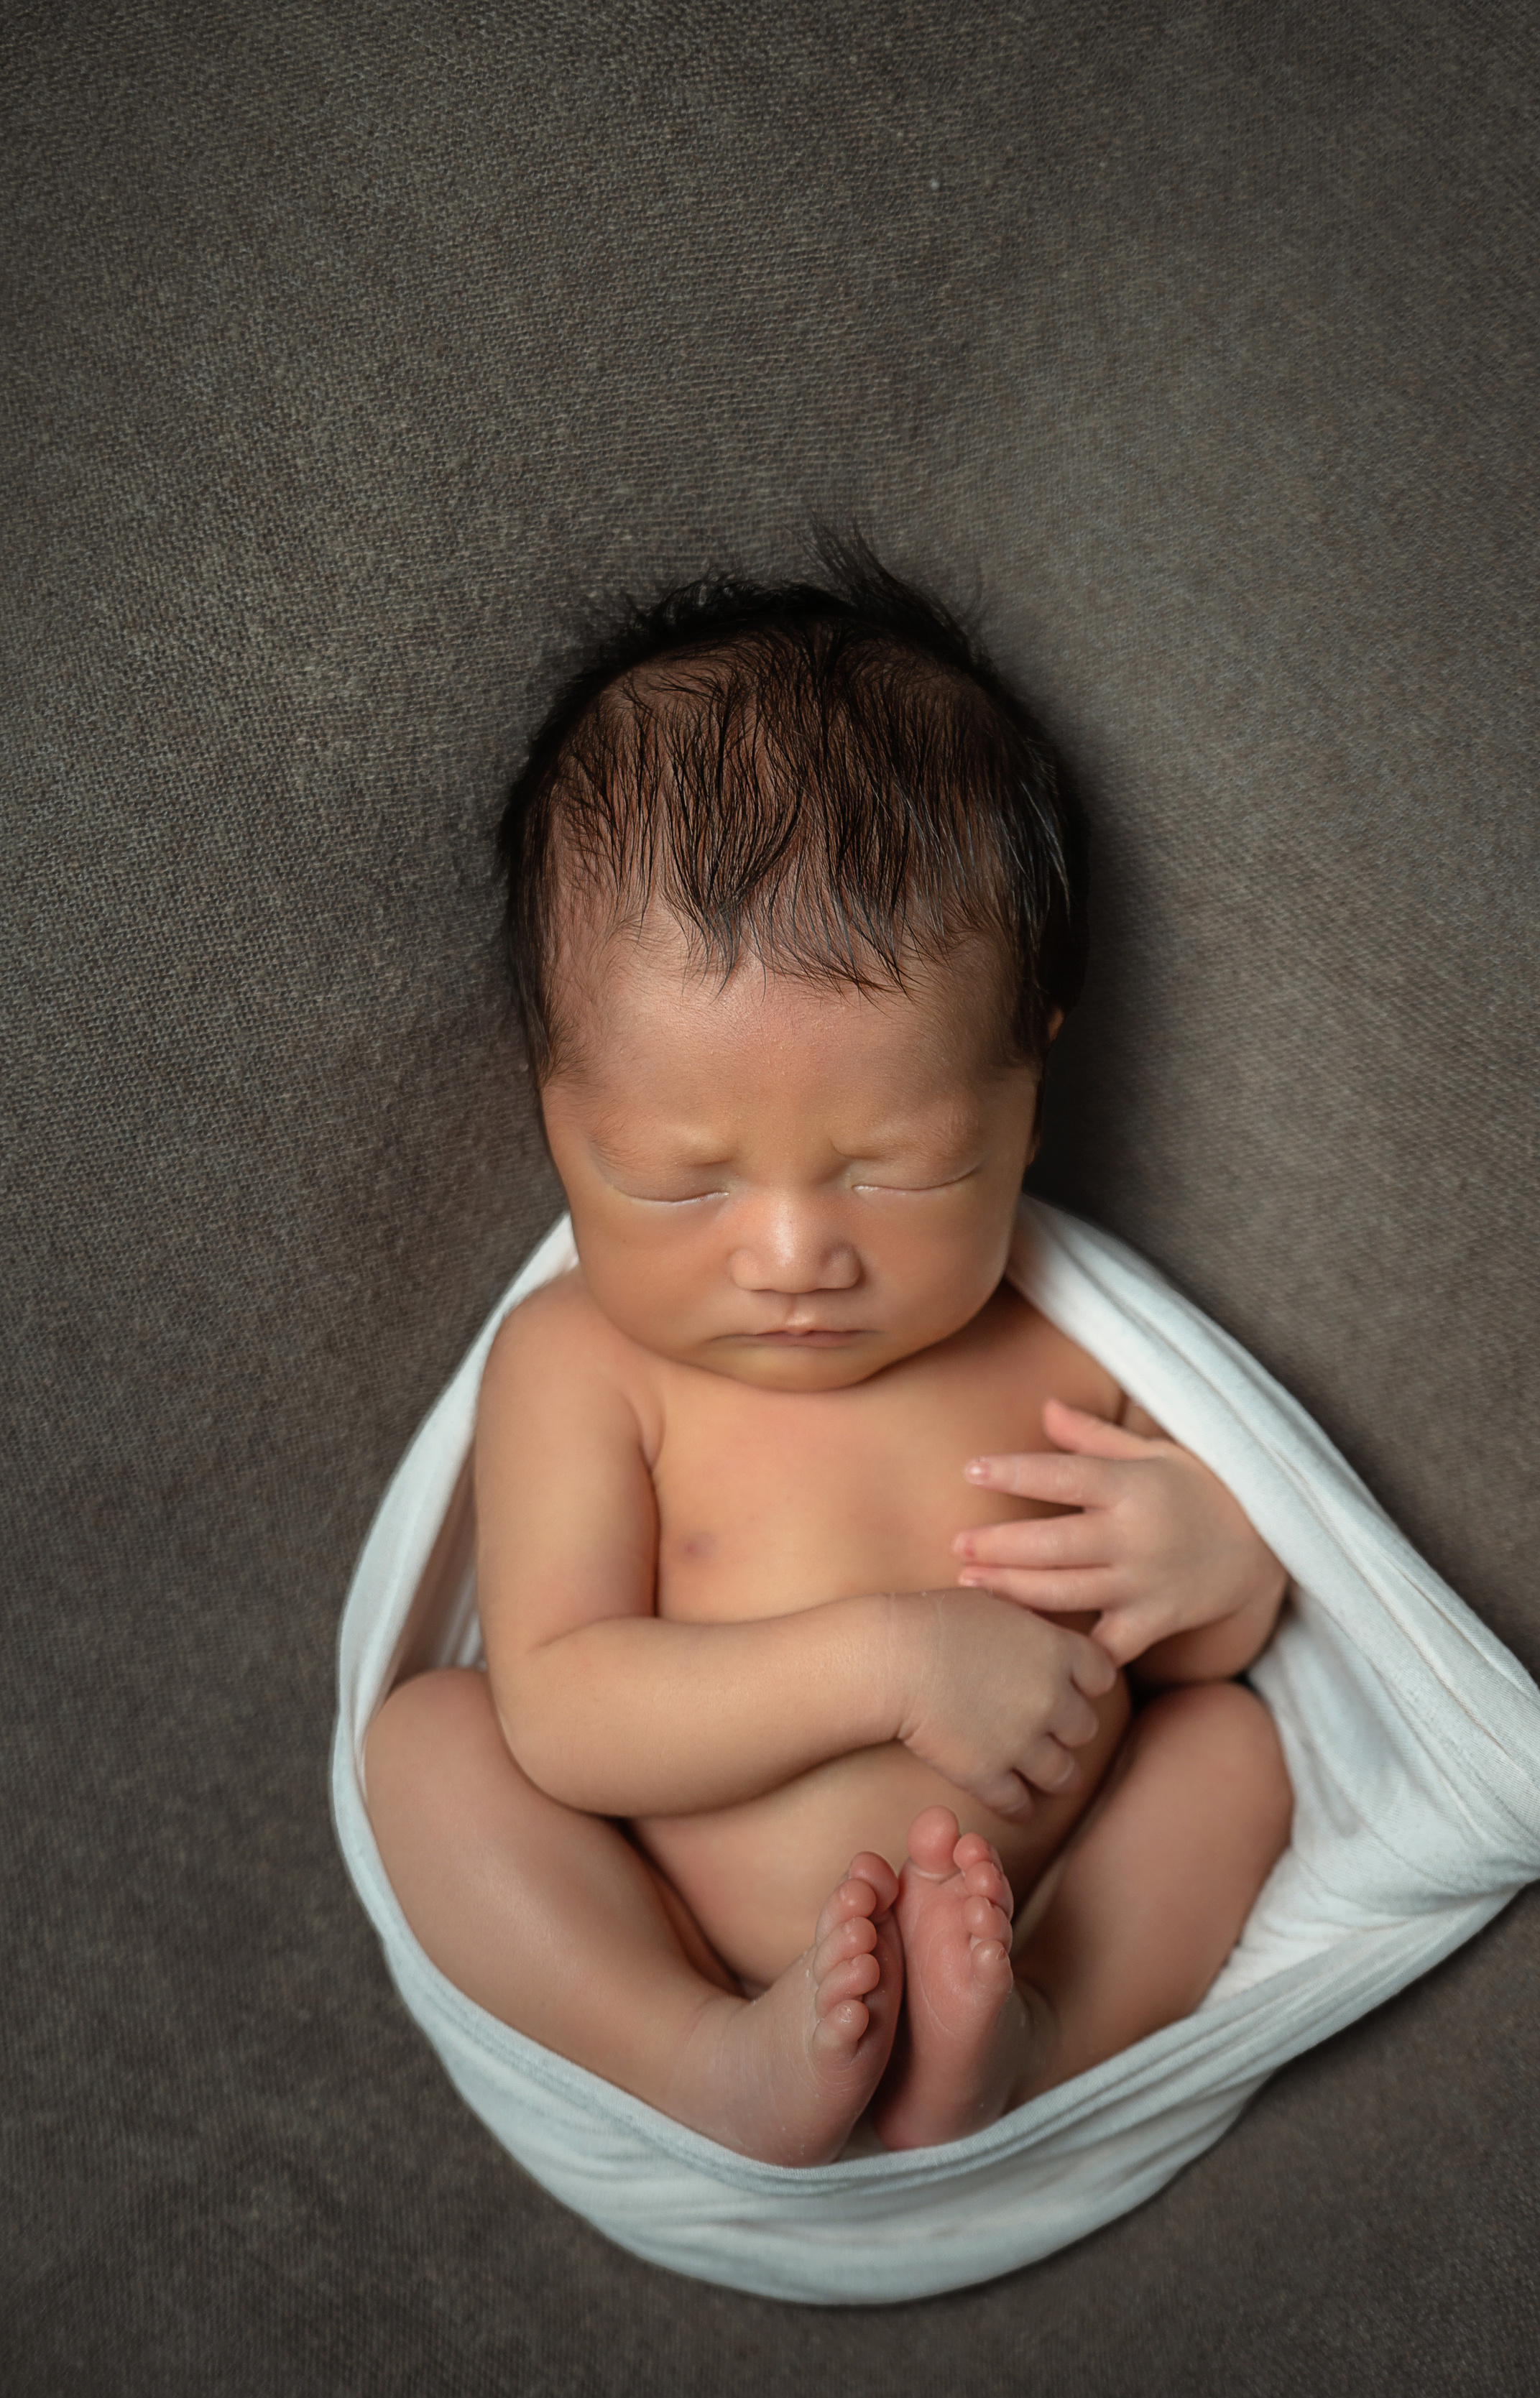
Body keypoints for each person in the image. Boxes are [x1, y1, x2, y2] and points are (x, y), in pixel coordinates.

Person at [364, 549, 1294, 2166]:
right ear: (551, 1113)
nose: (795, 1256)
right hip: (665, 1910)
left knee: (1232, 1754)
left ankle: (1030, 2041)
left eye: (897, 1166)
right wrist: (891, 1662)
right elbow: (567, 1714)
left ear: (1026, 1087)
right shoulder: (582, 1363)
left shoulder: (1062, 1339)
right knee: (427, 1754)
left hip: (1030, 1903)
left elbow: (1197, 1657)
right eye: (680, 1180)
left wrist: (1213, 1569)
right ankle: (693, 2051)